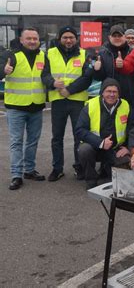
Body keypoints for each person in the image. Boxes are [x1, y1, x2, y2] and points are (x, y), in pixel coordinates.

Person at [42, 26, 94, 182]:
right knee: (57, 137)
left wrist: (69, 90)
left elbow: (87, 77)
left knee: (79, 136)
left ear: (76, 39)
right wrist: (52, 83)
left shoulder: (84, 54)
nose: (68, 40)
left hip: (77, 101)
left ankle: (79, 167)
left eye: (71, 37)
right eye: (65, 37)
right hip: (58, 101)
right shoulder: (49, 53)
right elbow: (43, 74)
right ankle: (57, 169)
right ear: (59, 39)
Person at [1, 27, 46, 190]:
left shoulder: (43, 56)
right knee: (16, 142)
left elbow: (45, 76)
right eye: (29, 38)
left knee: (33, 141)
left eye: (35, 38)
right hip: (16, 107)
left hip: (36, 106)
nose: (32, 41)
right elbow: (0, 69)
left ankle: (29, 170)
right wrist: (3, 71)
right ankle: (16, 175)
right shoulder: (10, 55)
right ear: (21, 40)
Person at [75, 78, 134, 189]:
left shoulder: (126, 106)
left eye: (114, 92)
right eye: (108, 91)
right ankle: (91, 180)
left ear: (118, 94)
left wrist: (127, 148)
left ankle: (106, 169)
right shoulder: (91, 105)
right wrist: (101, 142)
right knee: (84, 150)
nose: (111, 95)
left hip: (116, 149)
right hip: (95, 147)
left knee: (126, 166)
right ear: (102, 92)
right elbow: (79, 130)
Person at [94, 25, 134, 113]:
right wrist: (97, 70)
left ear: (124, 37)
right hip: (109, 97)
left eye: (120, 36)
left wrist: (124, 66)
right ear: (109, 37)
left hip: (129, 97)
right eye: (114, 36)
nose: (117, 38)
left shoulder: (133, 52)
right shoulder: (102, 53)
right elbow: (99, 78)